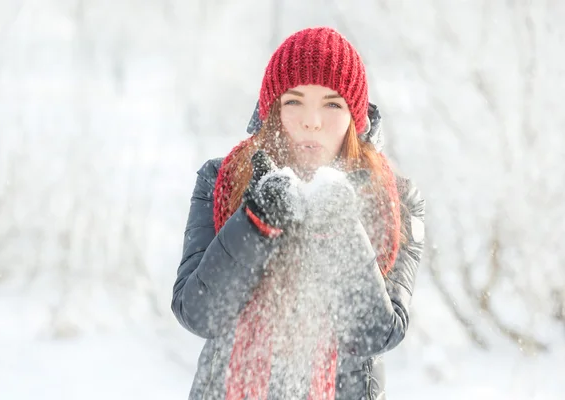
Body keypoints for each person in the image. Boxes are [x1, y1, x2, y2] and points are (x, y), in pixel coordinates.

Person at [172, 27, 425, 400]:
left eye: (332, 104)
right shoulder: (223, 178)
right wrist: (255, 222)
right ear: (272, 109)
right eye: (294, 101)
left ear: (356, 118)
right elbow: (199, 312)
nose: (312, 121)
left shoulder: (394, 198)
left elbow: (374, 333)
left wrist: (341, 231)